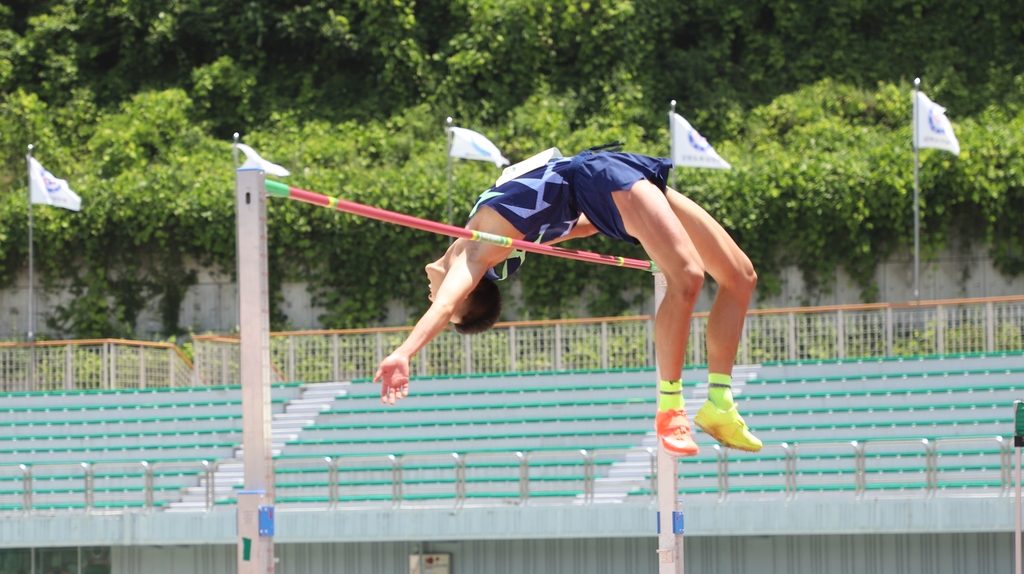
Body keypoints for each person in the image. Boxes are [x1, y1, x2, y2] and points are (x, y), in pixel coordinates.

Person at [373, 147, 761, 456]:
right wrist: (404, 352)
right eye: (453, 301)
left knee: (741, 277)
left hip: (606, 176)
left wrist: (631, 219)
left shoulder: (505, 245)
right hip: (605, 185)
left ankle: (719, 403)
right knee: (688, 276)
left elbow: (580, 227)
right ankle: (671, 409)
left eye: (443, 300)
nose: (435, 297)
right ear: (468, 288)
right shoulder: (476, 254)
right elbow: (442, 309)